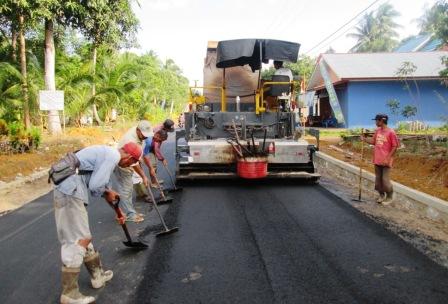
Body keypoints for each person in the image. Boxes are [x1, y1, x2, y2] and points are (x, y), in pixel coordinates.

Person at [53, 142, 142, 304]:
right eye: (131, 163)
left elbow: (104, 189)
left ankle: (98, 276)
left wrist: (119, 212)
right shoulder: (113, 156)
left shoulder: (108, 154)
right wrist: (108, 192)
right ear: (129, 157)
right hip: (69, 191)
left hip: (72, 189)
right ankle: (69, 294)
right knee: (79, 239)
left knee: (85, 237)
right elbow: (96, 187)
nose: (129, 166)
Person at [114, 120, 152, 223]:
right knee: (126, 189)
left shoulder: (139, 133)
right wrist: (143, 176)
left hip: (129, 161)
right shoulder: (130, 140)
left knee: (128, 188)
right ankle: (130, 214)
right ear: (138, 131)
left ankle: (129, 211)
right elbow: (133, 163)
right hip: (122, 164)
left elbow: (138, 157)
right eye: (144, 135)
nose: (145, 137)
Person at [361, 114, 399, 205]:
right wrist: (364, 139)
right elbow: (373, 142)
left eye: (377, 121)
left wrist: (388, 158)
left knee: (385, 180)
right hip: (377, 159)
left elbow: (395, 146)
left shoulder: (391, 132)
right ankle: (381, 195)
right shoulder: (377, 131)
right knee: (378, 180)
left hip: (386, 160)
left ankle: (390, 196)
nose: (375, 122)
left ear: (381, 121)